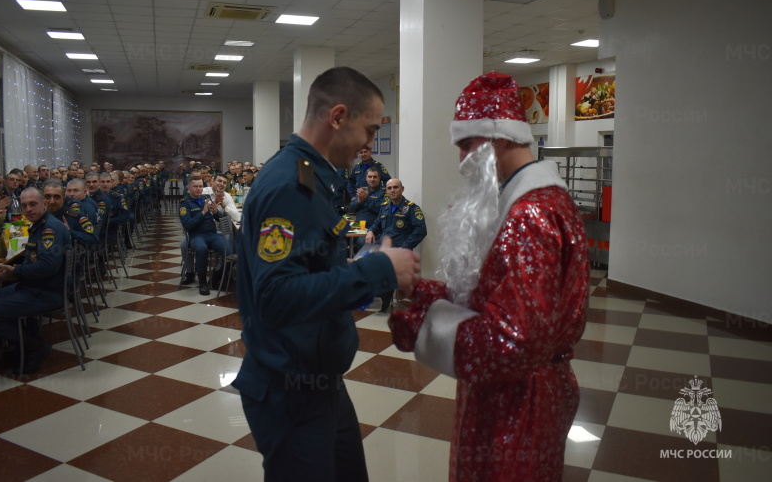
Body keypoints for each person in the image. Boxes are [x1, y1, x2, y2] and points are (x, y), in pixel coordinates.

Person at [388, 72, 589, 482]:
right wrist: (418, 290)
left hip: (517, 401)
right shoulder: (535, 202)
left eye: (467, 145)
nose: (461, 161)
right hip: (515, 391)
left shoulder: (528, 215)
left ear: (498, 137)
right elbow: (497, 298)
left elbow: (513, 341)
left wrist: (423, 326)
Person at [231, 66, 421, 482]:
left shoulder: (313, 177)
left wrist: (358, 267)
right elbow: (275, 297)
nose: (370, 144)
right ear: (337, 117)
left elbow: (306, 271)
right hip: (289, 389)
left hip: (318, 383)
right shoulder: (289, 185)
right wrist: (374, 273)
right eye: (369, 130)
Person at [0, 187, 71, 375]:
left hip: (46, 292)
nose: (28, 209)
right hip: (33, 286)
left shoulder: (50, 228)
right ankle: (23, 343)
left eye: (33, 204)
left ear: (44, 204)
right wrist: (13, 273)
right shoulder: (39, 224)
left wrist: (15, 271)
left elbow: (47, 266)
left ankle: (33, 346)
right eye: (24, 205)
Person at [365, 178, 427, 312]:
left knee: (385, 268)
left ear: (402, 189)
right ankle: (379, 293)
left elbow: (421, 230)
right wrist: (370, 231)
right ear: (386, 191)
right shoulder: (385, 207)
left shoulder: (411, 208)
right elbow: (377, 224)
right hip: (383, 247)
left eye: (395, 187)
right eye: (389, 188)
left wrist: (404, 247)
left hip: (400, 249)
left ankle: (385, 298)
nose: (392, 190)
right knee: (363, 261)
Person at [179, 175, 225, 295]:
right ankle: (203, 282)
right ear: (189, 187)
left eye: (200, 186)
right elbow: (187, 225)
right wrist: (203, 213)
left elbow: (219, 218)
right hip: (196, 236)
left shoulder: (207, 198)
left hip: (212, 234)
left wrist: (216, 212)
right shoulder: (185, 204)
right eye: (195, 186)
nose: (199, 189)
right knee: (201, 249)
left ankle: (216, 276)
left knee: (228, 249)